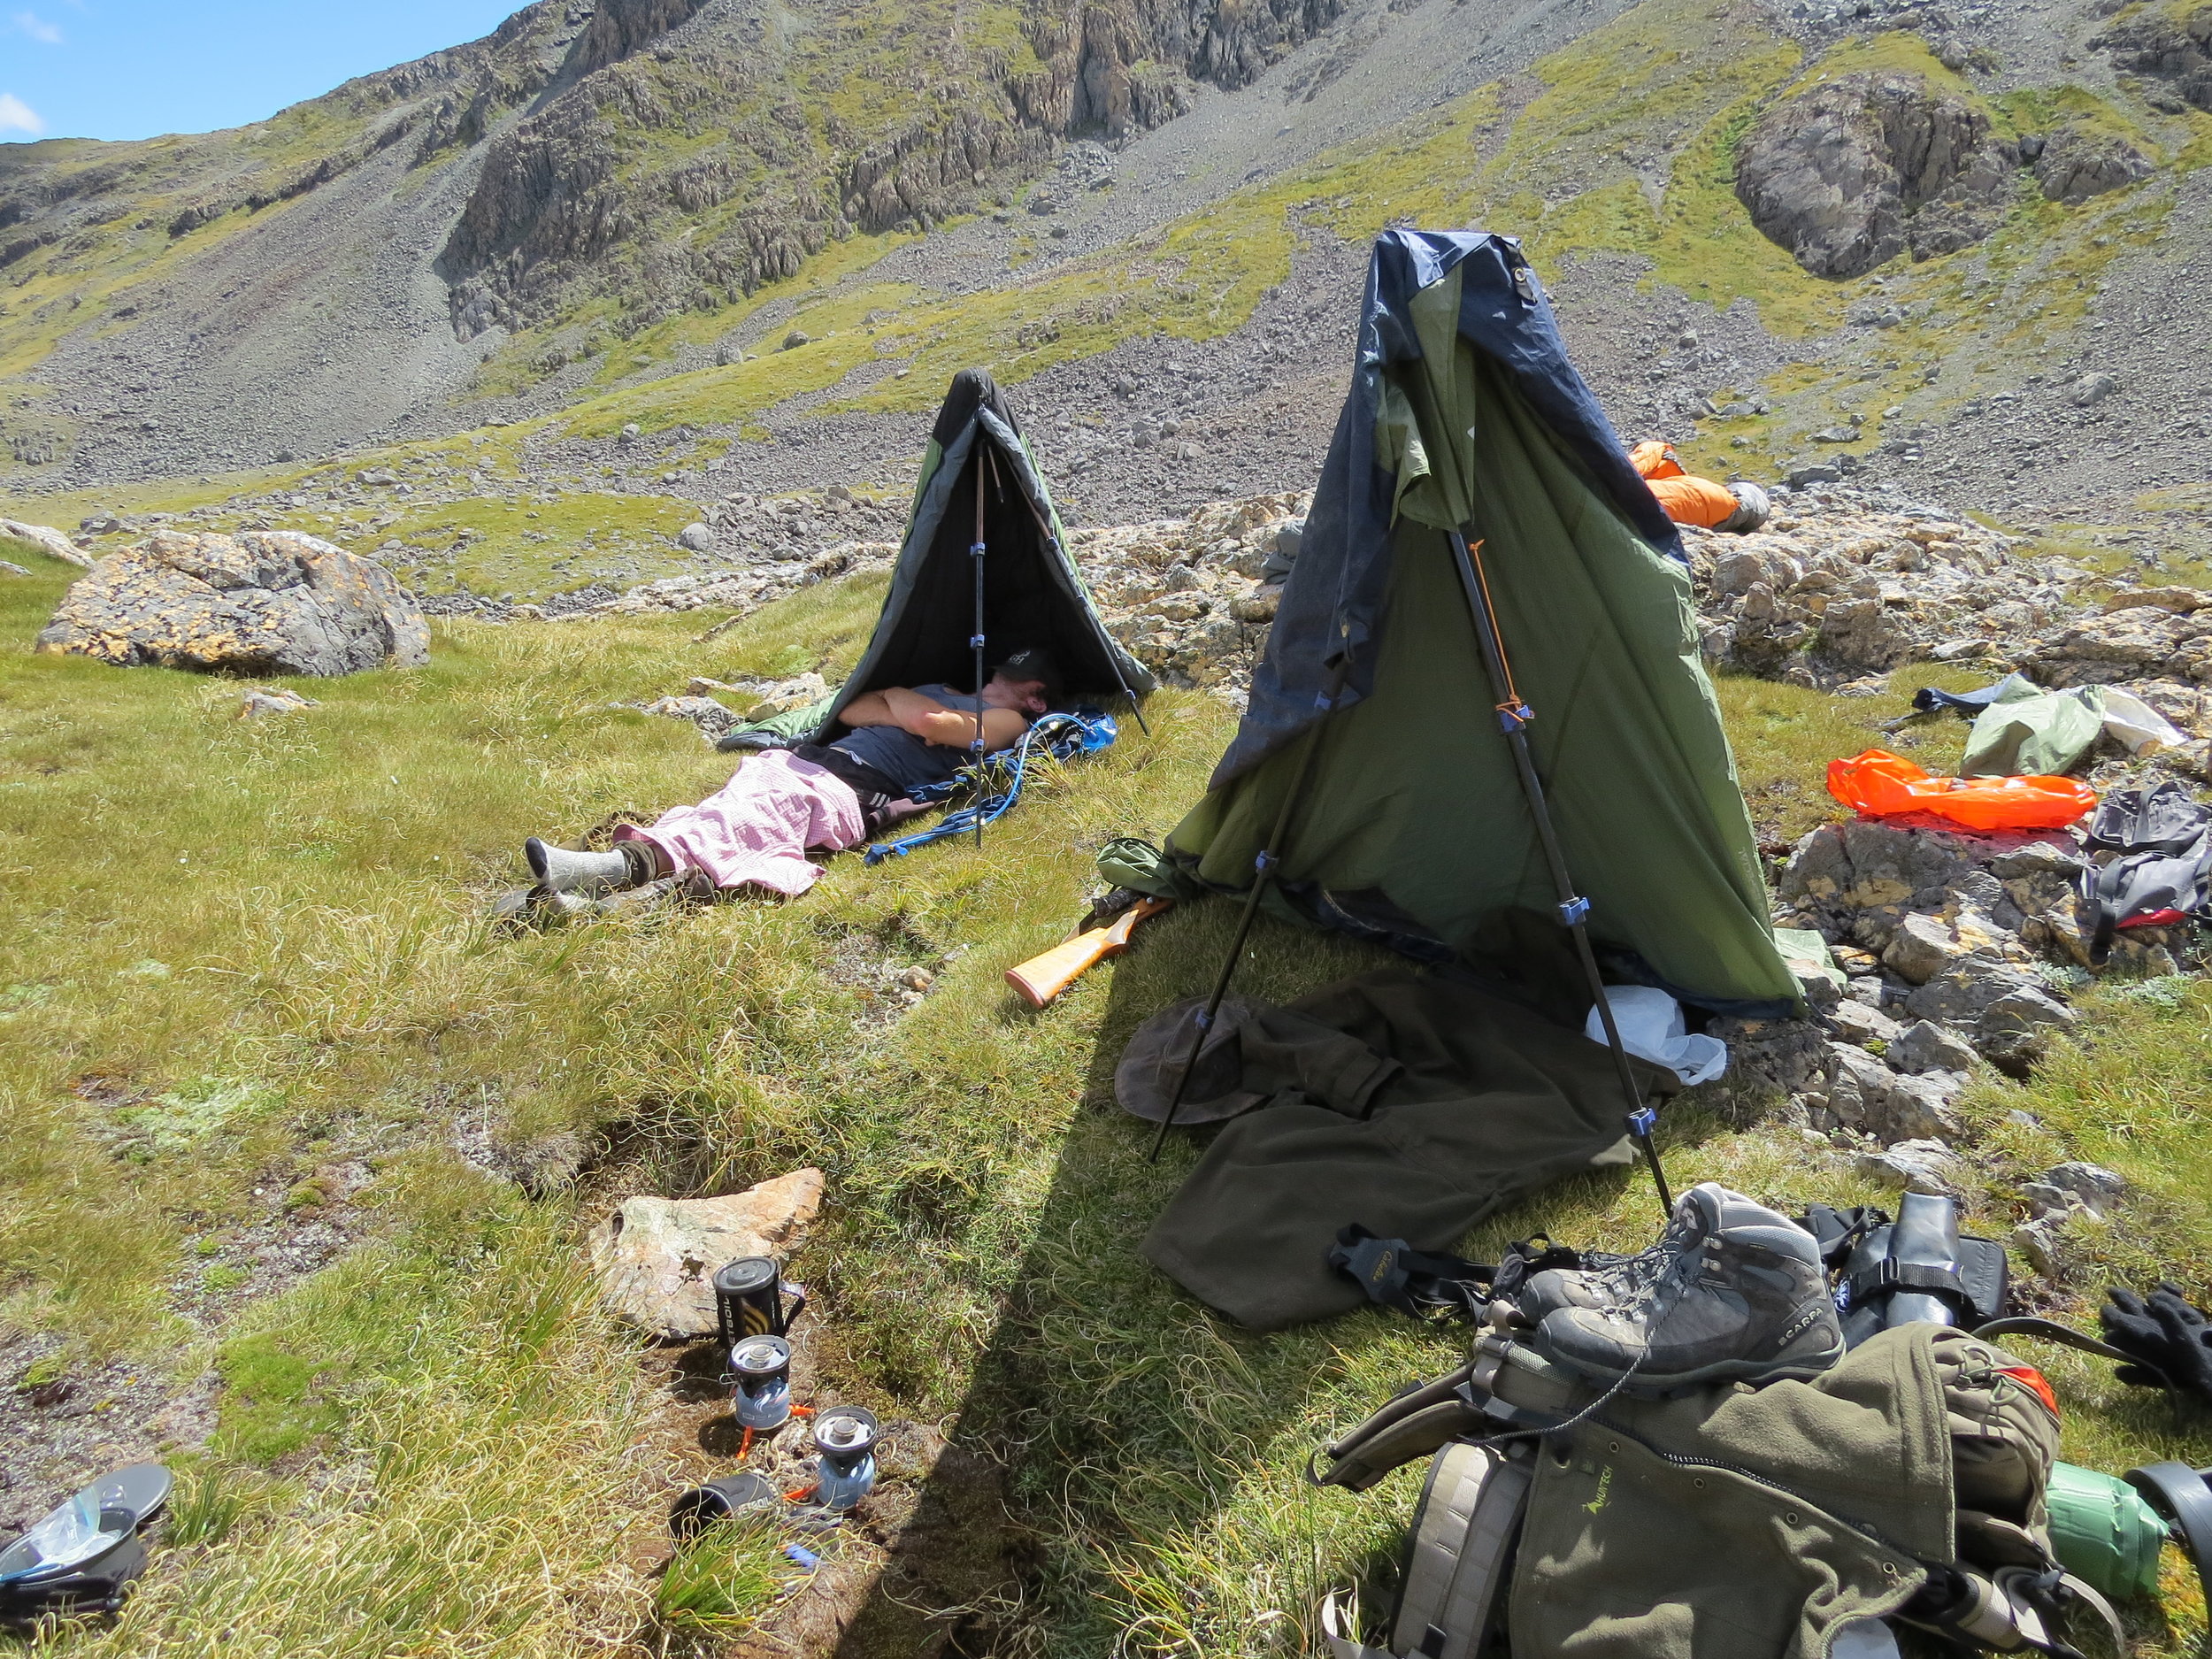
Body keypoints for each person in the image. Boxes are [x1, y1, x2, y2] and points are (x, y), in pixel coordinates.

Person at [525, 648, 1062, 899]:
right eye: (1005, 671)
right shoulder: (943, 691)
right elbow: (852, 710)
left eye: (1021, 681)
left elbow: (923, 721)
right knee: (727, 809)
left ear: (1036, 699)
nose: (1004, 680)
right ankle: (608, 888)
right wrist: (910, 709)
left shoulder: (1009, 720)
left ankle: (623, 867)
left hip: (856, 785)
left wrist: (903, 706)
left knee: (751, 817)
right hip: (806, 759)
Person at [1628, 441, 1770, 534]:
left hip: (1717, 506)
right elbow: (1655, 447)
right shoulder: (1627, 477)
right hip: (1734, 502)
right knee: (1748, 496)